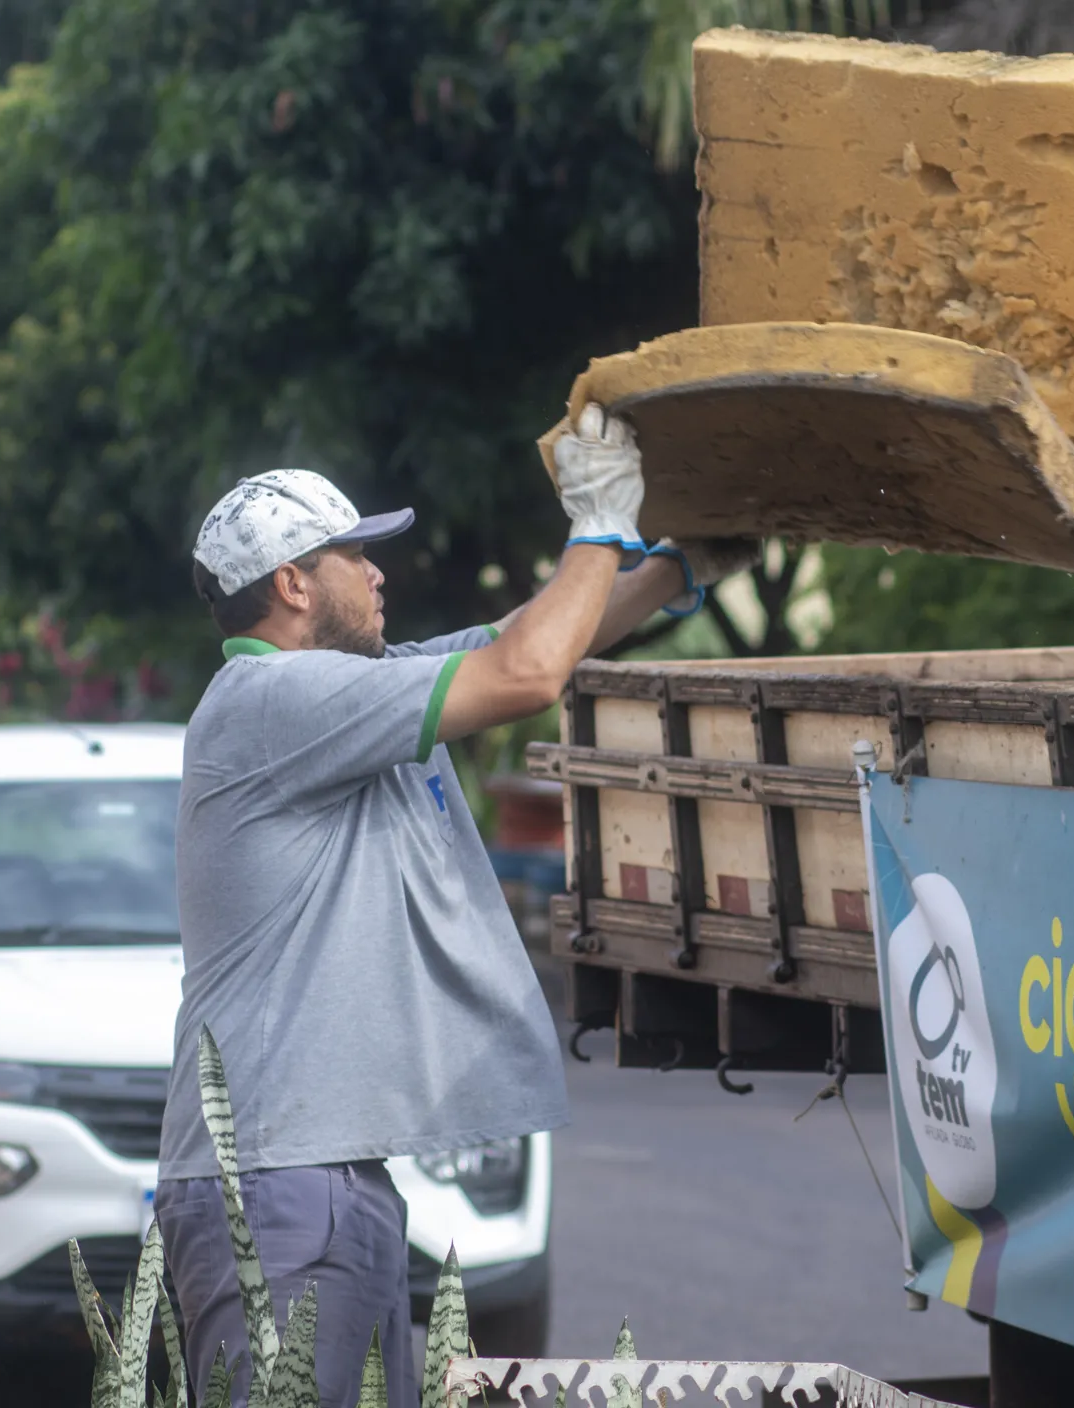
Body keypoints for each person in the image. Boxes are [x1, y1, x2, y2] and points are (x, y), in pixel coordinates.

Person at [154, 409, 746, 1408]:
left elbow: (517, 641)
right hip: (278, 1178)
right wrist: (598, 519)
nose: (380, 571)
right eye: (356, 555)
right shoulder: (275, 703)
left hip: (323, 1177)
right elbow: (524, 675)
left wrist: (675, 573)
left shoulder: (344, 693)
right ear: (293, 583)